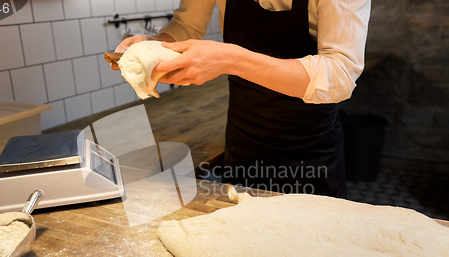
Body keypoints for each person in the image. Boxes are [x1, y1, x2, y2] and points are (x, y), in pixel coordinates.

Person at [111, 0, 371, 198]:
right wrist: (156, 46)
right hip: (243, 142)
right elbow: (187, 26)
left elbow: (340, 74)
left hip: (311, 151)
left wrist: (232, 60)